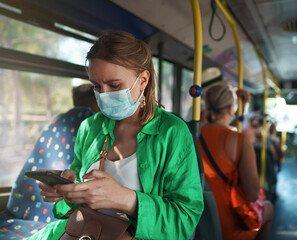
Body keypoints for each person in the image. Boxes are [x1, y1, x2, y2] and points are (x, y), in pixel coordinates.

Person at [28, 31, 204, 240]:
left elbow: (185, 220)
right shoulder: (89, 128)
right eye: (96, 86)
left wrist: (127, 199)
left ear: (143, 80)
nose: (103, 94)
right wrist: (66, 191)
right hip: (84, 231)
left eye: (114, 85)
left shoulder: (172, 132)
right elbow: (74, 206)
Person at [198, 84, 273, 240]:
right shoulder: (240, 141)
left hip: (198, 223)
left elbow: (218, 131)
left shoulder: (193, 135)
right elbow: (252, 194)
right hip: (230, 227)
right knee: (269, 209)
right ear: (231, 109)